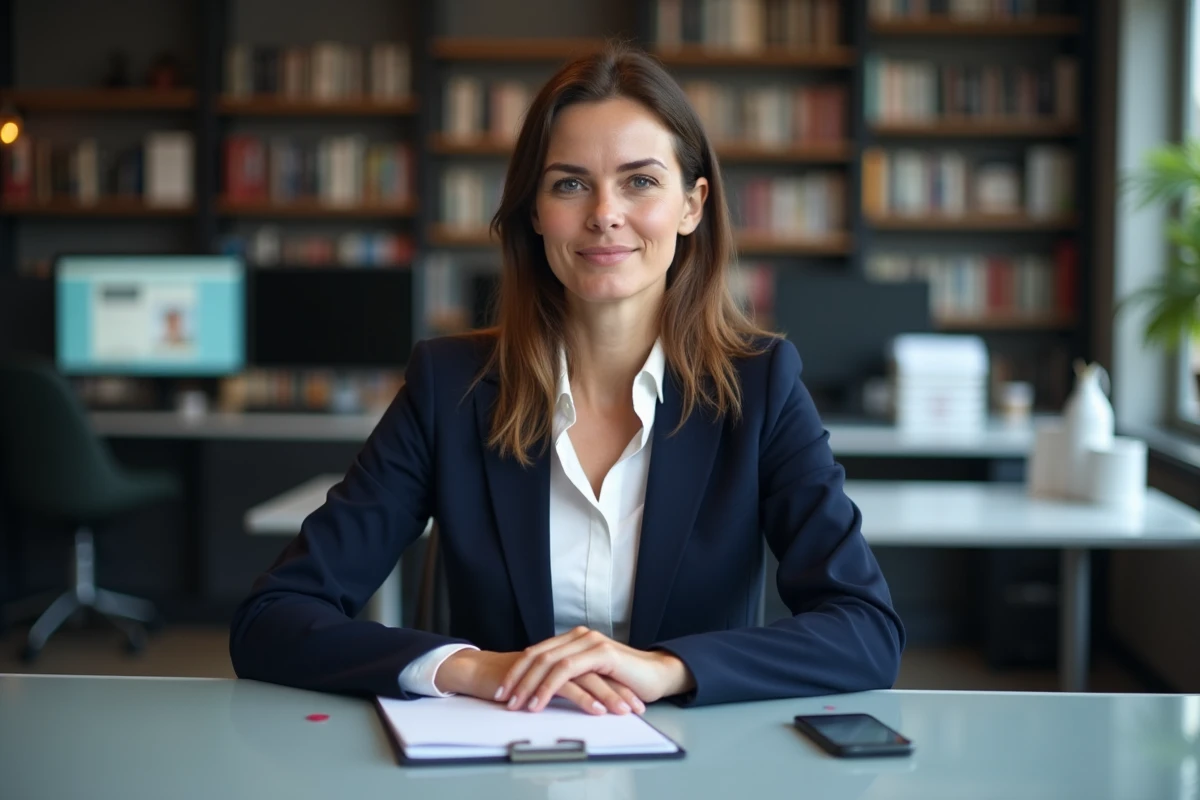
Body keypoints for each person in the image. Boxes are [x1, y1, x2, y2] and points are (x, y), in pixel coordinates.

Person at [229, 44, 904, 714]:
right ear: (534, 212)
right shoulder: (451, 386)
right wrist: (469, 669)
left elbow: (866, 631)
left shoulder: (759, 387)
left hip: (695, 768)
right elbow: (273, 618)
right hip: (495, 760)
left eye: (640, 181)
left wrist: (667, 670)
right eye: (570, 183)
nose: (604, 213)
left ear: (692, 206)